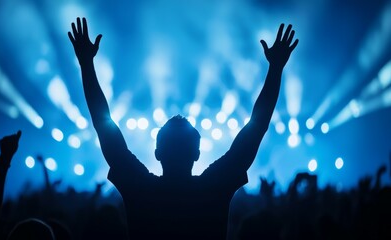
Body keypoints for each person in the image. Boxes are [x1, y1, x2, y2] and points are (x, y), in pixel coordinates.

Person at [68, 17, 298, 240]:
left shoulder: (141, 189)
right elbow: (257, 128)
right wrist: (275, 69)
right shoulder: (212, 189)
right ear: (197, 153)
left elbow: (102, 124)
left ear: (158, 153)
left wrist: (86, 64)